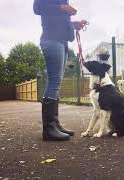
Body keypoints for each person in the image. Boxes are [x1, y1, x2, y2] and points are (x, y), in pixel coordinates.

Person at [33, 0, 87, 141]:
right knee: (54, 82)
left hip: (62, 41)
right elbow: (37, 8)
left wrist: (73, 25)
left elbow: (56, 19)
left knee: (57, 83)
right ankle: (49, 129)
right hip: (51, 40)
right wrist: (63, 7)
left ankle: (55, 125)